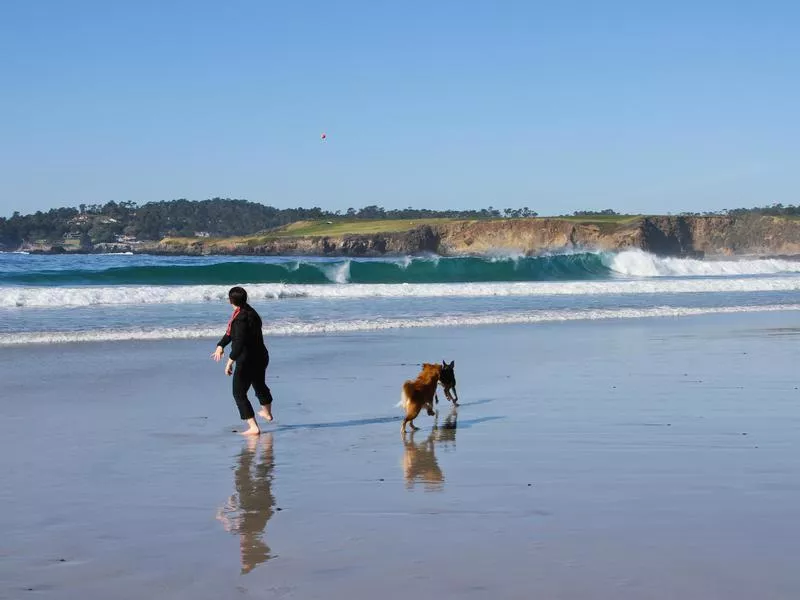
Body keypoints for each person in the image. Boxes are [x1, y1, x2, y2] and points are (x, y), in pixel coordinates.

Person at [211, 286, 274, 435]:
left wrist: (229, 362)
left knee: (238, 393)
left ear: (231, 300)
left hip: (247, 360)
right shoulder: (251, 312)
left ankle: (253, 427)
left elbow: (238, 344)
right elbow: (231, 335)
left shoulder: (239, 319)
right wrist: (220, 345)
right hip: (261, 356)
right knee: (259, 385)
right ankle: (267, 413)